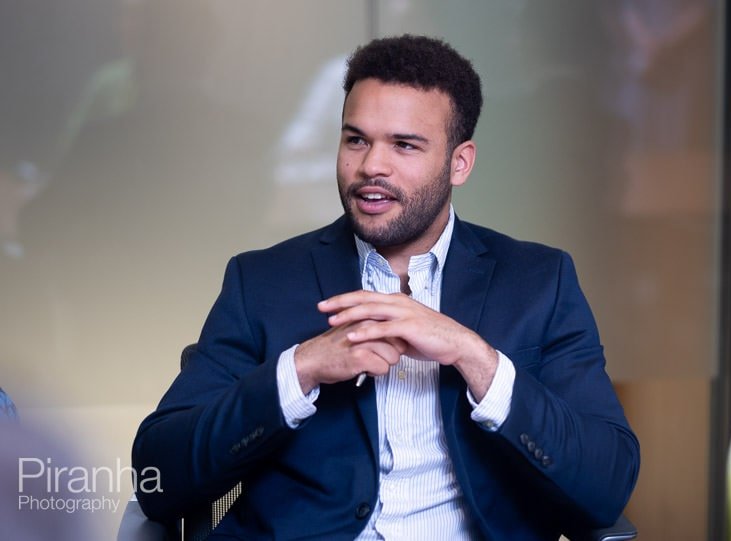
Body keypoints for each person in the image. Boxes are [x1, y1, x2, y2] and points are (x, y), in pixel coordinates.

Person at [132, 34, 639, 540]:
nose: (372, 165)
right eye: (356, 140)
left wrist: (472, 355)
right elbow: (158, 479)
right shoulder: (261, 281)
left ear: (459, 163)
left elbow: (606, 484)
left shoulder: (538, 282)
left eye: (404, 144)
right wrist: (301, 370)